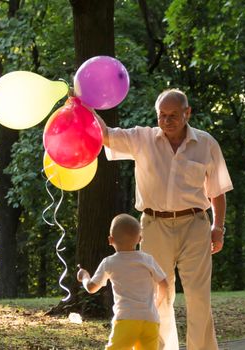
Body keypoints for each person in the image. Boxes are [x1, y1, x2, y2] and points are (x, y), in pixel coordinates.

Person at [94, 89, 233, 350]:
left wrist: (218, 227)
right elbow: (105, 136)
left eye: (173, 115)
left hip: (195, 225)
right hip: (154, 225)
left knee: (199, 298)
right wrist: (83, 106)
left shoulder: (206, 143)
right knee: (159, 296)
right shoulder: (142, 138)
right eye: (162, 115)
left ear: (187, 113)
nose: (167, 121)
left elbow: (218, 191)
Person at [77, 213, 168, 350]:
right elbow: (164, 284)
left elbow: (91, 288)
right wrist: (157, 302)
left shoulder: (109, 262)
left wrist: (84, 275)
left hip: (126, 319)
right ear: (140, 239)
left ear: (110, 240)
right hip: (150, 319)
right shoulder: (147, 260)